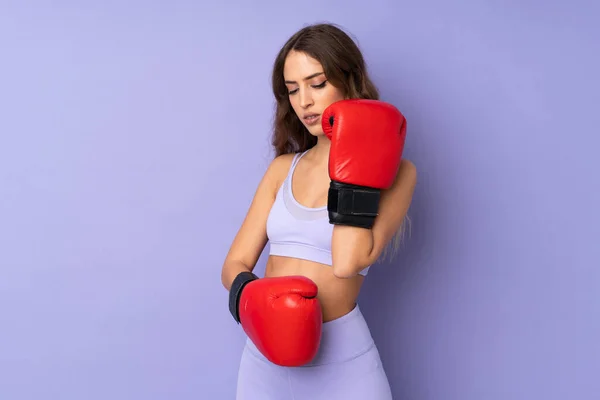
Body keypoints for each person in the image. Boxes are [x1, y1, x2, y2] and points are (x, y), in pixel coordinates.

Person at [221, 22, 417, 400]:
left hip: (343, 365)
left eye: (317, 83)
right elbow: (234, 265)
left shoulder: (400, 175)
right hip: (264, 360)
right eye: (292, 90)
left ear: (348, 80)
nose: (304, 102)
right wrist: (257, 303)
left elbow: (347, 262)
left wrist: (358, 156)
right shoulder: (283, 168)